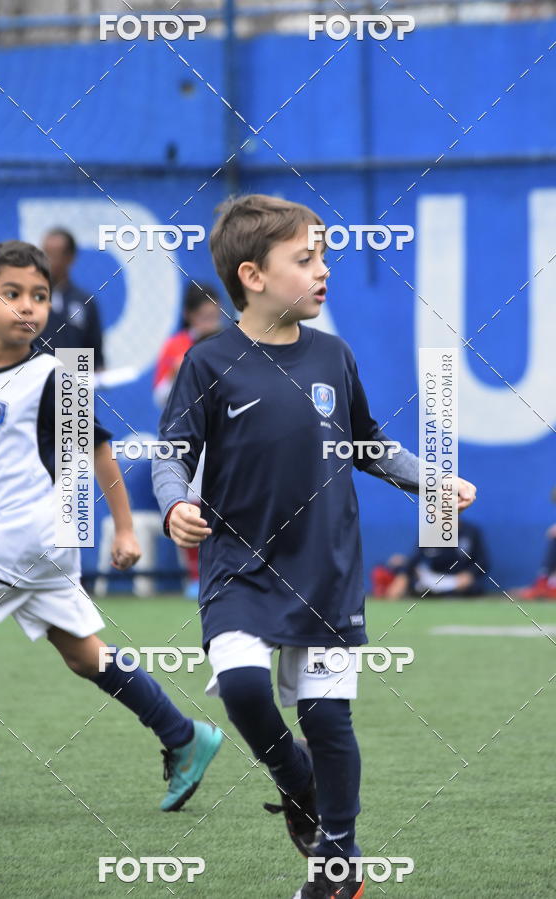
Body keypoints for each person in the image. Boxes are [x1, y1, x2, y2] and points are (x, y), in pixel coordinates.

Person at [152, 194, 478, 898]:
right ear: (253, 275)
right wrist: (176, 501)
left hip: (325, 563)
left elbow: (371, 444)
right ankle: (294, 780)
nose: (323, 270)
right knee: (241, 685)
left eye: (324, 255)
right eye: (305, 259)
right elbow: (170, 454)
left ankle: (339, 863)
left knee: (328, 716)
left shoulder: (334, 354)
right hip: (239, 565)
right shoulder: (208, 362)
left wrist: (430, 479)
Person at [0, 240, 222, 804]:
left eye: (40, 296)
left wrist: (124, 529)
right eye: (12, 294)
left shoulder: (56, 375)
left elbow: (99, 452)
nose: (28, 307)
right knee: (83, 653)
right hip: (8, 541)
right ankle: (184, 736)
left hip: (33, 532)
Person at [153, 282, 223, 598]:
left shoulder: (230, 342)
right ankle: (194, 578)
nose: (210, 322)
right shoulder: (175, 346)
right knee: (191, 499)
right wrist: (176, 373)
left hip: (224, 433)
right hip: (192, 434)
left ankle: (224, 571)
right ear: (189, 315)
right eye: (203, 316)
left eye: (215, 315)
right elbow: (160, 396)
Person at [372, 519, 489, 599]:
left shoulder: (471, 532)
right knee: (401, 567)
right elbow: (415, 558)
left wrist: (469, 575)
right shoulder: (430, 531)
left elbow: (483, 562)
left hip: (460, 580)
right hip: (434, 579)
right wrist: (403, 575)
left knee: (472, 589)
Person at [40, 228, 104, 369]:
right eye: (44, 253)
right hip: (35, 379)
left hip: (71, 378)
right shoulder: (28, 300)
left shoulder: (85, 302)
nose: (46, 261)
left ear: (70, 258)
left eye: (53, 255)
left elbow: (96, 356)